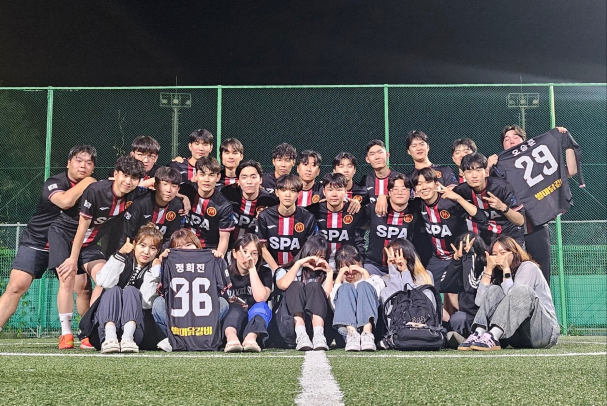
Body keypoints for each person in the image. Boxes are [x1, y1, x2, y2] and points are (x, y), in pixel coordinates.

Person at [0, 145, 97, 348]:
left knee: (83, 288)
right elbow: (65, 201)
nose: (83, 166)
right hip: (38, 241)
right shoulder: (54, 182)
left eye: (89, 163)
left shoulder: (95, 189)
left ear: (93, 167)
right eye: (79, 161)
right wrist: (87, 182)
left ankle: (87, 333)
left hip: (69, 243)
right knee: (17, 285)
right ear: (68, 163)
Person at [48, 155, 147, 348]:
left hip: (90, 243)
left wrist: (183, 198)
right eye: (125, 175)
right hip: (64, 236)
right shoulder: (96, 191)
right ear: (116, 174)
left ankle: (89, 331)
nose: (128, 181)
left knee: (104, 278)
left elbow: (157, 189)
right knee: (67, 277)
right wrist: (72, 259)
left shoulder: (135, 193)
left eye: (134, 178)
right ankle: (66, 333)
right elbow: (82, 227)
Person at [486, 125, 578, 284]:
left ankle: (542, 301)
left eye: (515, 137)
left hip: (536, 226)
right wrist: (487, 167)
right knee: (510, 274)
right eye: (506, 139)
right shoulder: (499, 168)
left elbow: (572, 170)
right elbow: (484, 190)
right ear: (503, 145)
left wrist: (567, 142)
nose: (511, 141)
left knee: (542, 275)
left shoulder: (537, 164)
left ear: (525, 141)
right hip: (511, 229)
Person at [458, 236, 559, 351]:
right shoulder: (498, 275)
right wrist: (489, 270)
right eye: (494, 254)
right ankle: (478, 333)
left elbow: (515, 298)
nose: (498, 257)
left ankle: (492, 336)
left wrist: (506, 270)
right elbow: (479, 302)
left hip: (543, 332)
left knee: (522, 290)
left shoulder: (528, 267)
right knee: (493, 290)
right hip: (517, 337)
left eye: (503, 253)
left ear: (514, 253)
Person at [81, 223, 165, 354]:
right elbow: (103, 282)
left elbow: (146, 302)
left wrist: (153, 272)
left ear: (158, 251)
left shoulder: (155, 270)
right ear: (134, 244)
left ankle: (127, 338)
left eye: (153, 248)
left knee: (131, 291)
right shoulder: (122, 259)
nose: (146, 252)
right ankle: (110, 338)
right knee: (113, 290)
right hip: (105, 330)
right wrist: (120, 254)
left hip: (136, 333)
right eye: (142, 245)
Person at [151, 228, 230, 352]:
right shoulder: (168, 261)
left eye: (188, 244)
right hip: (177, 315)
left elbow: (222, 288)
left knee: (223, 303)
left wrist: (217, 260)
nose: (185, 249)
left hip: (202, 318)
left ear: (197, 245)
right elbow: (156, 277)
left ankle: (201, 338)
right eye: (179, 247)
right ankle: (172, 339)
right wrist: (161, 261)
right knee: (158, 304)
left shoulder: (210, 259)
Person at [410, 167, 487, 292]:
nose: (424, 187)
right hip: (437, 259)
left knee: (458, 290)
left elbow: (481, 218)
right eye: (419, 184)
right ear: (415, 189)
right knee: (425, 288)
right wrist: (384, 198)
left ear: (436, 184)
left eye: (428, 182)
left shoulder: (450, 202)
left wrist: (459, 199)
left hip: (458, 256)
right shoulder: (417, 205)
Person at [274, 235, 334, 351]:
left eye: (321, 257)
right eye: (314, 255)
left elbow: (325, 297)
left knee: (314, 286)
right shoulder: (284, 270)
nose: (317, 261)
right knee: (296, 285)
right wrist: (298, 264)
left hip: (318, 327)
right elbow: (283, 285)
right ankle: (301, 333)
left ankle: (318, 335)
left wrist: (330, 272)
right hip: (291, 327)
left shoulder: (324, 275)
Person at [454, 153, 525, 247]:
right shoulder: (461, 191)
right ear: (463, 174)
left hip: (510, 236)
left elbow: (520, 221)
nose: (474, 175)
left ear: (486, 172)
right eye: (469, 171)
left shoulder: (502, 187)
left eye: (478, 170)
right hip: (485, 238)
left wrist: (503, 207)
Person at [364, 173, 426, 277]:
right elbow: (358, 221)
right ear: (389, 192)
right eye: (395, 189)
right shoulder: (375, 207)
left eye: (404, 189)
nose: (400, 192)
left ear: (410, 192)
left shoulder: (417, 208)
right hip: (374, 266)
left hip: (404, 266)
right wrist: (382, 196)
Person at [256, 174, 318, 271]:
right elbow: (262, 247)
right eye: (283, 190)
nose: (288, 194)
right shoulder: (264, 216)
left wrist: (295, 268)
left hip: (299, 267)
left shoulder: (308, 217)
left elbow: (310, 248)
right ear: (276, 192)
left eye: (292, 190)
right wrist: (277, 270)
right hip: (270, 267)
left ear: (298, 194)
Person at [223, 234, 273, 353]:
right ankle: (231, 339)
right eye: (244, 252)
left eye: (254, 253)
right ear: (234, 253)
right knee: (233, 308)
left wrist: (252, 269)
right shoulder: (225, 273)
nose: (249, 256)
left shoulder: (265, 272)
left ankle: (250, 339)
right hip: (232, 322)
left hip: (255, 324)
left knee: (261, 306)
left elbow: (260, 297)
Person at [330, 245, 385, 352]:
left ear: (360, 263)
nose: (350, 273)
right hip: (346, 332)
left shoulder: (374, 279)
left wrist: (364, 273)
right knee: (346, 287)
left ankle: (367, 333)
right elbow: (334, 306)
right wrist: (339, 279)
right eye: (345, 269)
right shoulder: (338, 285)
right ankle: (352, 334)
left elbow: (376, 298)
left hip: (372, 329)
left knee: (364, 286)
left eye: (353, 267)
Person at [179, 156, 235, 256]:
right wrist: (181, 196)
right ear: (195, 175)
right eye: (202, 174)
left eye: (211, 175)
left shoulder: (224, 205)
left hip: (208, 250)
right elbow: (164, 191)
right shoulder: (185, 190)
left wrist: (216, 261)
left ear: (218, 177)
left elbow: (224, 240)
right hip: (181, 246)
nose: (206, 179)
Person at [306, 173, 366, 264]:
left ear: (346, 191)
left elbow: (362, 234)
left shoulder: (355, 210)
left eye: (339, 189)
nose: (334, 194)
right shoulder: (313, 211)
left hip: (347, 263)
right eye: (330, 190)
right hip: (319, 262)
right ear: (324, 192)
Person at [119, 166, 184, 247]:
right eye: (165, 184)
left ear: (178, 189)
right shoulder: (140, 204)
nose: (169, 190)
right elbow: (125, 236)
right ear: (155, 185)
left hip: (160, 251)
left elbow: (171, 238)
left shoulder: (178, 206)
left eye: (174, 186)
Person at [221, 160, 279, 248]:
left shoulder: (270, 201)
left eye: (253, 177)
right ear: (238, 180)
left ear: (261, 180)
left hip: (257, 249)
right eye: (244, 177)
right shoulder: (227, 194)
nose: (249, 181)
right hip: (229, 246)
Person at [441, 232, 487, 337]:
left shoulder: (485, 266)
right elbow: (445, 286)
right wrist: (456, 262)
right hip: (465, 315)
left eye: (469, 247)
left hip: (482, 316)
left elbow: (470, 287)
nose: (464, 250)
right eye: (461, 247)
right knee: (457, 319)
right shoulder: (459, 265)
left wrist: (469, 257)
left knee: (459, 319)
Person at [379, 238, 434, 304]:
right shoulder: (385, 280)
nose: (392, 259)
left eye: (396, 255)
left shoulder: (425, 275)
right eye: (389, 256)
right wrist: (393, 272)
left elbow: (412, 299)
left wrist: (405, 271)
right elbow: (394, 299)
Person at [358, 139, 402, 216]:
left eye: (380, 152)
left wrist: (386, 197)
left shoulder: (400, 179)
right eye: (372, 154)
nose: (377, 157)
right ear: (367, 159)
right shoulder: (366, 180)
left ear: (387, 155)